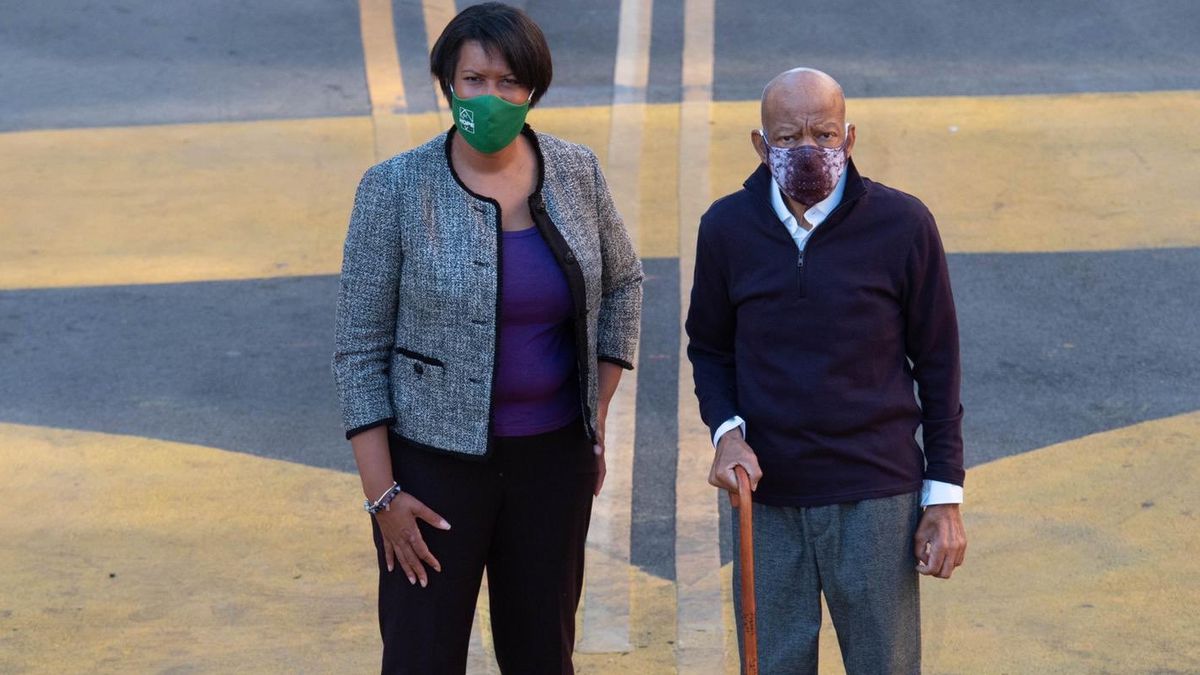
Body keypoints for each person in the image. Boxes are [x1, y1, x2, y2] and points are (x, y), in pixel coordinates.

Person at [332, 4, 643, 673]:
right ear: (447, 83)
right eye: (475, 79)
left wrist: (597, 412)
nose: (491, 96)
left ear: (533, 89)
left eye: (510, 82)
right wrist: (383, 496)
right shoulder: (394, 187)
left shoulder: (575, 170)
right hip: (431, 474)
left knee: (541, 653)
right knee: (421, 655)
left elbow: (624, 284)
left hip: (553, 464)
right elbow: (359, 351)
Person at [686, 67, 967, 674]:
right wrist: (726, 433)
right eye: (788, 138)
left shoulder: (904, 225)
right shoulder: (726, 229)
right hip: (764, 499)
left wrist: (943, 498)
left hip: (877, 497)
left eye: (825, 133)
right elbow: (709, 348)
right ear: (760, 145)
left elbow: (939, 363)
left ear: (851, 138)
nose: (808, 149)